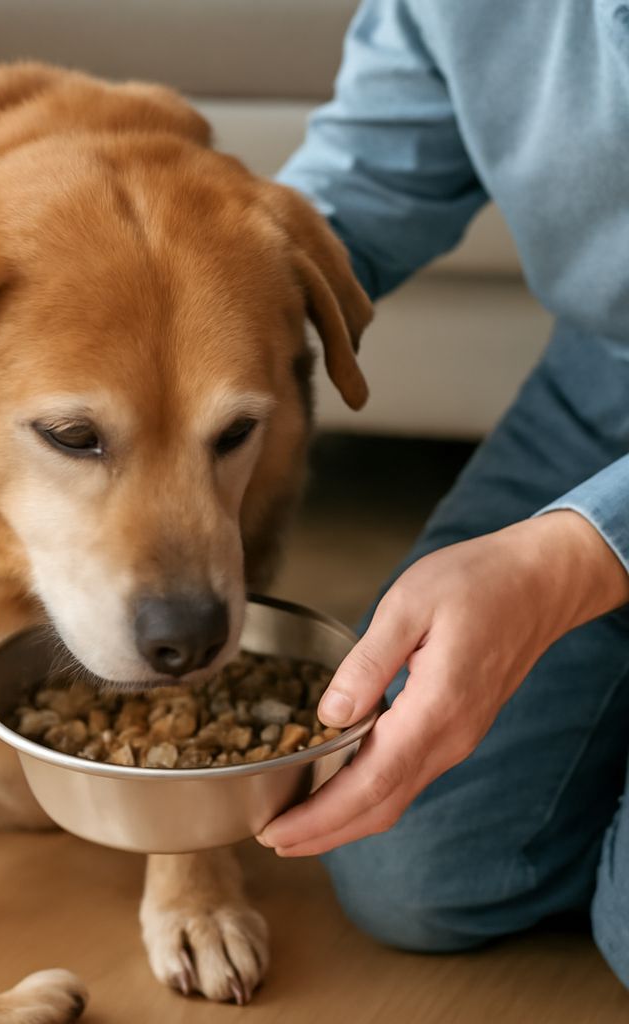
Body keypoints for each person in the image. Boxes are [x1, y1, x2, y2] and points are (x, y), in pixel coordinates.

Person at [256, 0, 629, 986]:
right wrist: (185, 276)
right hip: (606, 384)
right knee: (411, 868)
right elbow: (372, 174)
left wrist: (576, 557)